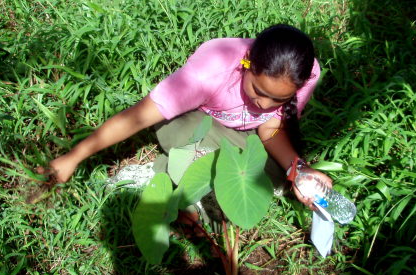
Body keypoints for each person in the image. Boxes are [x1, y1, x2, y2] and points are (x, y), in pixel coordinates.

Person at [40, 24, 332, 208]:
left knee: (276, 180)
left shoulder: (306, 74)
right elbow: (138, 117)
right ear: (247, 64)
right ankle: (148, 177)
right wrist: (73, 157)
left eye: (277, 99)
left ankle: (191, 181)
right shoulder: (211, 71)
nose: (264, 103)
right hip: (192, 122)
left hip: (238, 133)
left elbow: (270, 127)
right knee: (203, 160)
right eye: (258, 90)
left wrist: (300, 170)